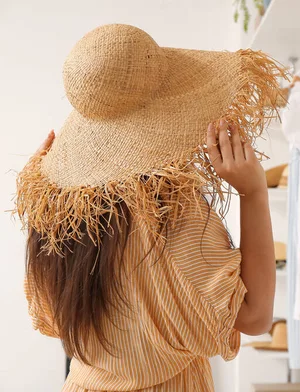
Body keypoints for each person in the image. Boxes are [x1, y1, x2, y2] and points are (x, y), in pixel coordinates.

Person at [16, 24, 284, 391]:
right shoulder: (171, 216)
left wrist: (42, 201)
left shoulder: (56, 216)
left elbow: (51, 322)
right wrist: (254, 194)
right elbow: (254, 317)